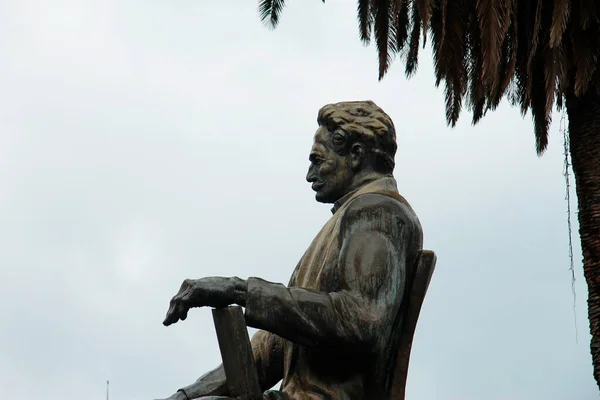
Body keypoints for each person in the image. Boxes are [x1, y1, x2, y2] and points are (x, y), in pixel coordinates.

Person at [157, 101, 423, 400]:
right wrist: (186, 396)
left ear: (356, 155)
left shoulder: (377, 211)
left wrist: (238, 291)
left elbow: (361, 320)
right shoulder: (347, 220)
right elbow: (276, 346)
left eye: (317, 160)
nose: (310, 175)